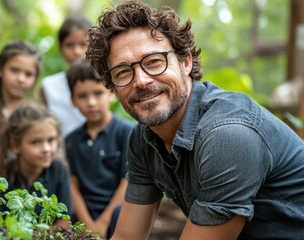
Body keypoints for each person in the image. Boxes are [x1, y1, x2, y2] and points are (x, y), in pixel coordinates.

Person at [86, 1, 304, 240]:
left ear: (185, 62)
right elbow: (127, 237)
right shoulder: (144, 138)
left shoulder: (227, 134)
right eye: (123, 72)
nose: (141, 81)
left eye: (154, 62)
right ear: (112, 89)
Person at [64, 59, 134, 238]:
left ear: (111, 93)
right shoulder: (71, 141)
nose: (91, 102)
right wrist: (88, 224)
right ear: (72, 100)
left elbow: (127, 182)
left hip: (118, 215)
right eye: (82, 96)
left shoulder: (126, 133)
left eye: (98, 93)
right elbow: (72, 186)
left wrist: (103, 223)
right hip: (81, 217)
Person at [0, 101, 72, 229]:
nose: (46, 148)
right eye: (35, 142)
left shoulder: (58, 170)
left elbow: (64, 220)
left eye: (51, 140)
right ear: (15, 145)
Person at [0, 40, 42, 171]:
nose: (21, 79)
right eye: (14, 70)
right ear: (0, 70)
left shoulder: (38, 113)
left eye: (28, 74)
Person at [40, 16, 92, 138]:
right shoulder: (48, 86)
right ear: (60, 48)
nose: (77, 51)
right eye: (69, 45)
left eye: (83, 44)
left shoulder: (106, 81)